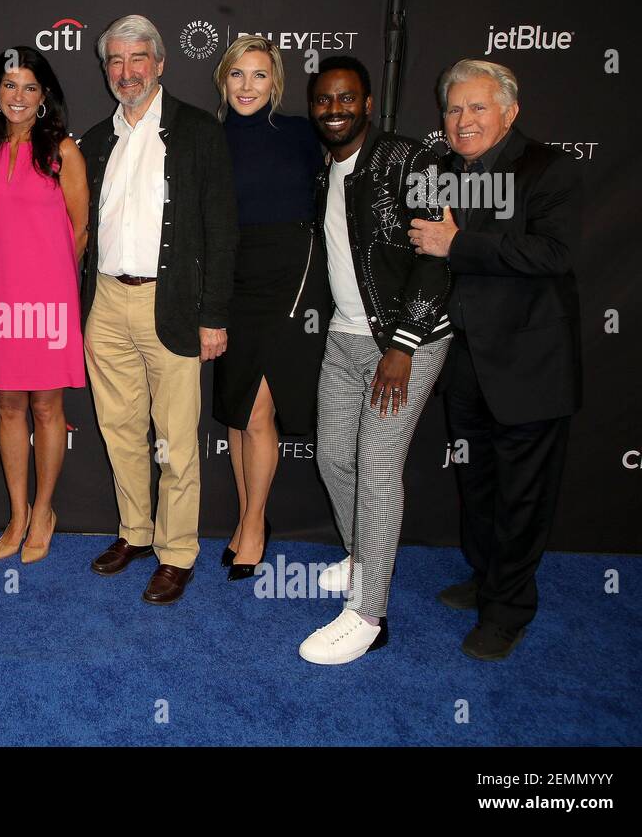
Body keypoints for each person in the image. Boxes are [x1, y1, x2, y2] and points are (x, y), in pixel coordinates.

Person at [409, 59, 581, 661]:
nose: (463, 119)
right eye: (454, 109)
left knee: (521, 497)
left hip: (530, 367)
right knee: (478, 486)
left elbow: (553, 253)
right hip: (465, 363)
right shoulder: (441, 172)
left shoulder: (548, 168)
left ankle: (508, 610)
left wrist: (458, 243)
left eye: (477, 107)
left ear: (510, 112)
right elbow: (426, 254)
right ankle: (487, 579)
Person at [300, 56, 452, 664]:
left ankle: (367, 615)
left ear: (368, 103)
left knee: (378, 465)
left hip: (405, 342)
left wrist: (403, 345)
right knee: (335, 456)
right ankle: (363, 556)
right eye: (323, 99)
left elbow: (437, 258)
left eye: (346, 98)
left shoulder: (412, 161)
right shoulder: (327, 172)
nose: (334, 109)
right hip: (345, 335)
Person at [81, 15, 236, 605]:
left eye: (138, 58)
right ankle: (136, 532)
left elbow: (221, 229)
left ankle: (177, 553)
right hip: (106, 300)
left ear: (161, 63)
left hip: (170, 302)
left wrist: (213, 314)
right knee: (120, 429)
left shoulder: (198, 131)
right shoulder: (97, 139)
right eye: (116, 61)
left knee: (175, 438)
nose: (127, 71)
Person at [210, 35, 326, 581]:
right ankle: (245, 516)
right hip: (231, 277)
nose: (247, 86)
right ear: (223, 80)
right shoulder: (209, 139)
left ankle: (255, 523)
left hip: (287, 279)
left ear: (275, 81)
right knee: (238, 411)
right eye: (237, 74)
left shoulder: (302, 134)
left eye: (259, 75)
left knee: (258, 411)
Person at [0, 46, 88, 564]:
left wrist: (53, 282)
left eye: (29, 87)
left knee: (46, 407)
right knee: (8, 406)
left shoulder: (63, 150)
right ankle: (17, 513)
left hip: (48, 299)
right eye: (9, 85)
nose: (18, 96)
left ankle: (44, 511)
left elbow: (80, 228)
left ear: (44, 96)